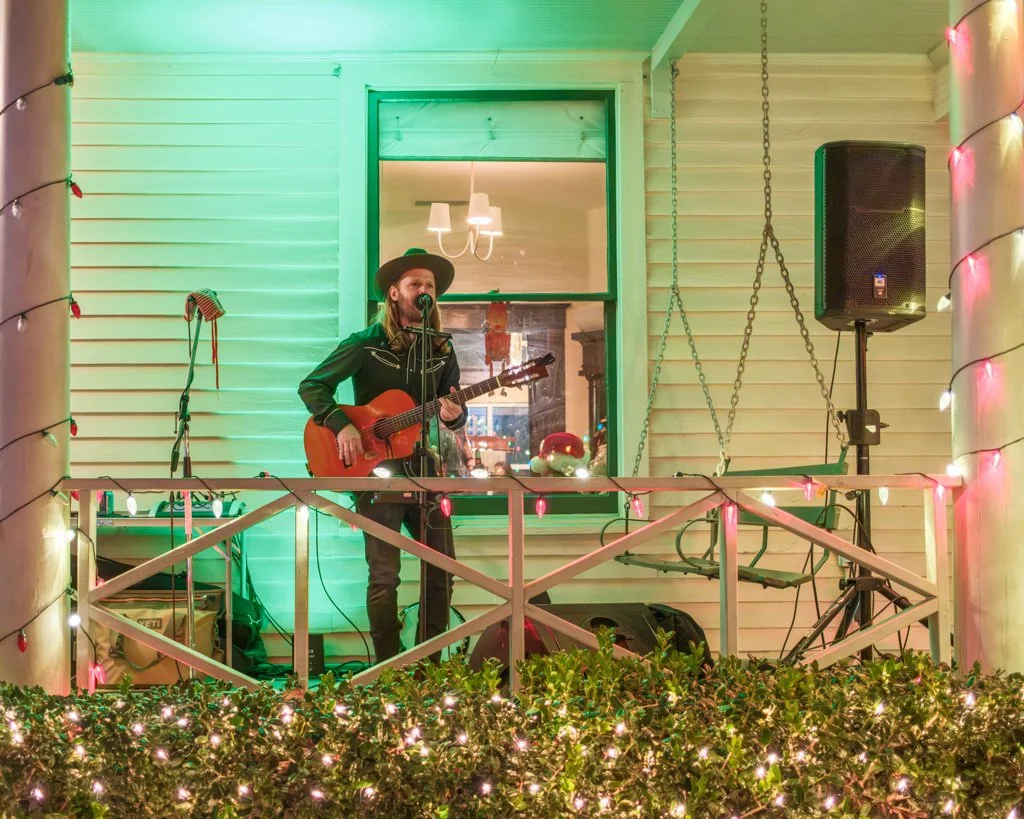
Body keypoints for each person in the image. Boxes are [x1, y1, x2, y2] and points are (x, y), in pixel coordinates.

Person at [297, 248, 466, 664]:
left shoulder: (442, 349)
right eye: (415, 285)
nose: (424, 291)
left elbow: (452, 410)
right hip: (375, 470)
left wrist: (455, 414)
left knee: (440, 568)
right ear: (394, 293)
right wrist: (343, 425)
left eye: (430, 286)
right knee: (385, 575)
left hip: (423, 467)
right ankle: (388, 665)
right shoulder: (365, 344)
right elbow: (312, 386)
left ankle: (428, 664)